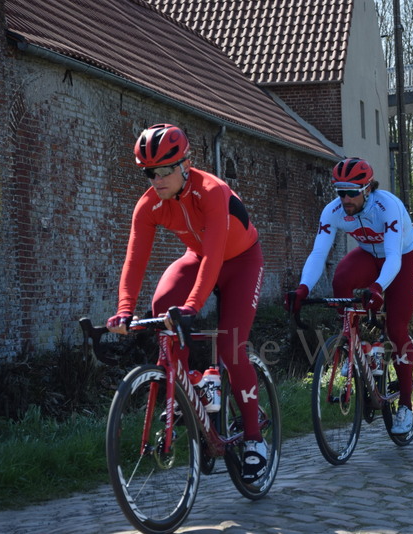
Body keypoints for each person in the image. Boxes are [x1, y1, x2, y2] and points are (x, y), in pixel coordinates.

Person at [106, 124, 267, 482]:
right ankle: (187, 394)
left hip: (240, 261)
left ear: (185, 164)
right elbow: (134, 260)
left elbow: (214, 257)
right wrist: (124, 309)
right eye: (150, 172)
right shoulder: (148, 205)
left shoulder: (211, 191)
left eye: (166, 170)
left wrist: (194, 305)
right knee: (162, 309)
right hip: (198, 258)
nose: (158, 179)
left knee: (231, 346)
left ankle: (255, 437)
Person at [285, 157, 413, 435]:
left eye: (351, 192)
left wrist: (378, 287)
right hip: (369, 255)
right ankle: (352, 342)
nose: (345, 198)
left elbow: (394, 255)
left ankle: (405, 404)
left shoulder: (387, 206)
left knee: (396, 328)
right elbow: (319, 253)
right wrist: (303, 288)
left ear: (367, 189)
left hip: (401, 258)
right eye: (340, 192)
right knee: (342, 280)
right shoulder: (333, 211)